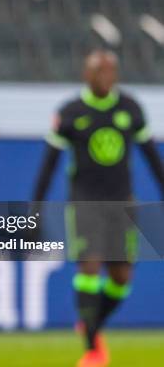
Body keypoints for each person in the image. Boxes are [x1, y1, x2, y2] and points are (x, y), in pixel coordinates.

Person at [32, 50, 164, 367]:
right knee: (89, 268)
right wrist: (34, 207)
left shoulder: (130, 109)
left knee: (121, 278)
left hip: (123, 204)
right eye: (98, 71)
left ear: (116, 75)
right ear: (86, 75)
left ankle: (91, 322)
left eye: (109, 71)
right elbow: (49, 164)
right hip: (85, 204)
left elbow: (151, 157)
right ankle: (92, 348)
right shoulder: (70, 113)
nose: (104, 76)